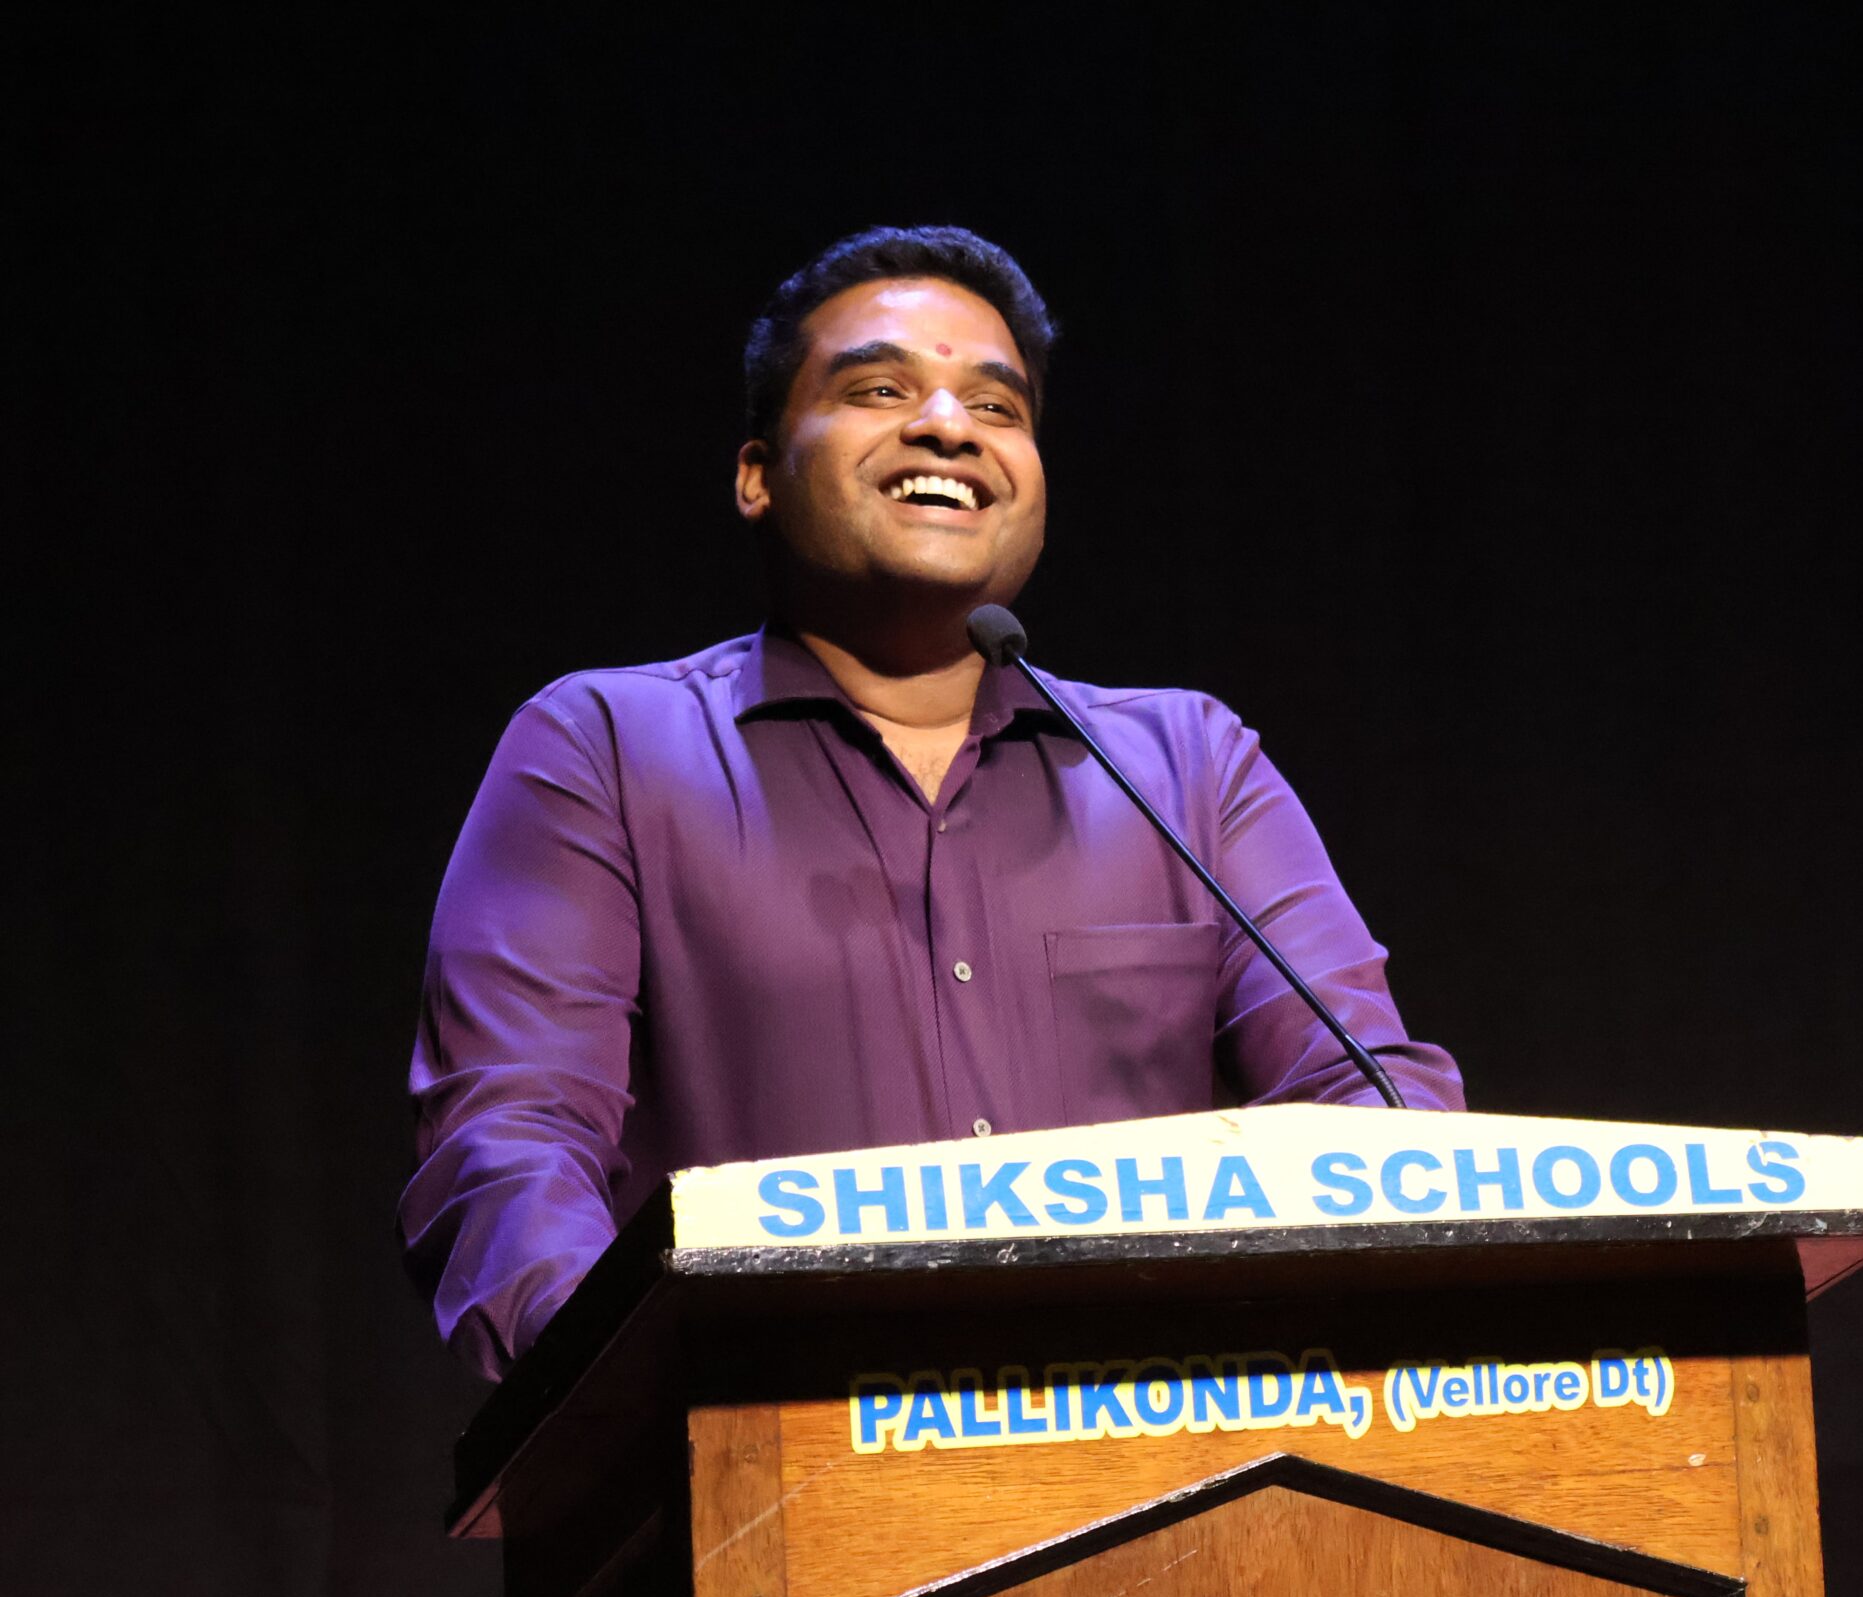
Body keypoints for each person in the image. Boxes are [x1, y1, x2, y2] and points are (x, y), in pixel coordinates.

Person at [400, 226, 1463, 1379]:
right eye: (879, 389)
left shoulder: (1188, 767)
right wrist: (626, 1399)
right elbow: (514, 1143)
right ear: (757, 474)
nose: (949, 426)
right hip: (768, 1445)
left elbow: (1366, 1102)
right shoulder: (605, 748)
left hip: (1165, 1441)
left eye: (997, 407)